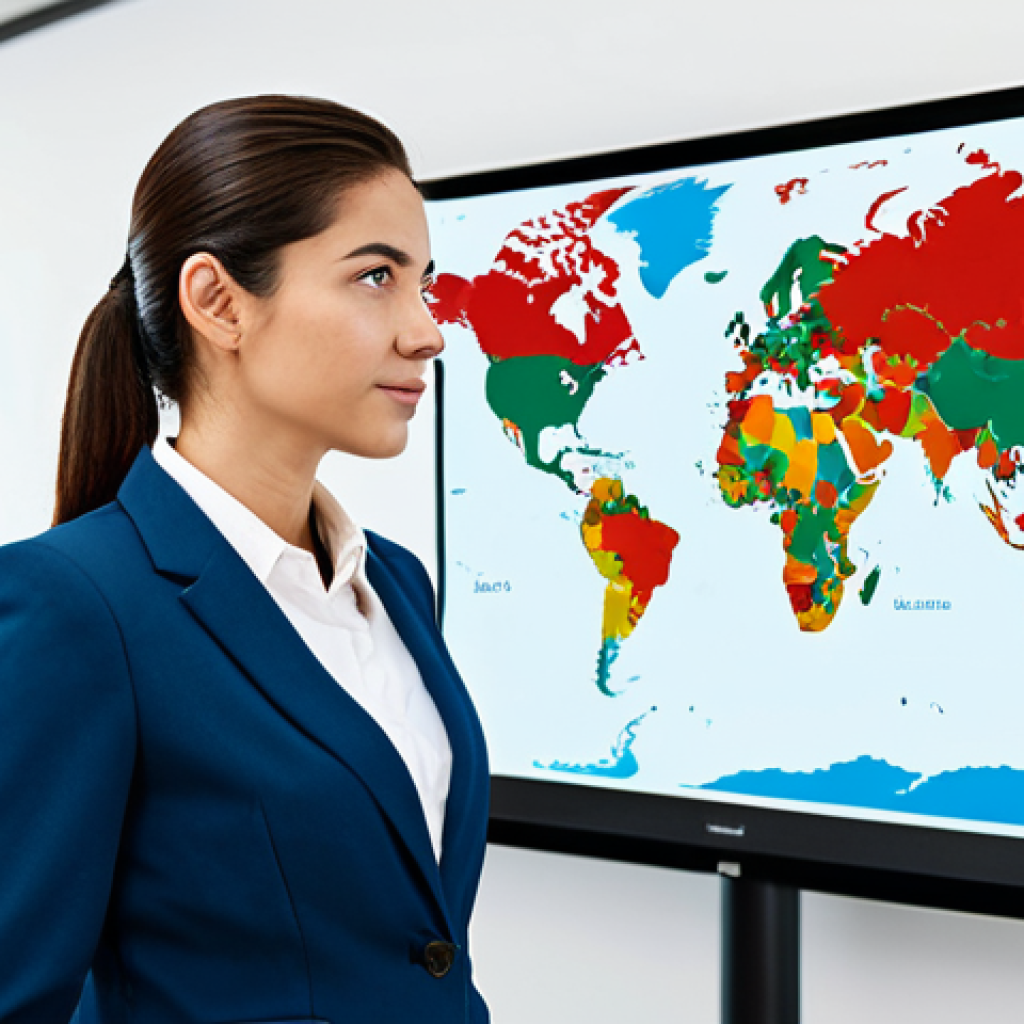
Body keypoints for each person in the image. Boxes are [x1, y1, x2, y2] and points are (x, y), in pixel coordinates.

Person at [0, 95, 490, 1023]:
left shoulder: (394, 583)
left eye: (423, 281)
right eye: (377, 277)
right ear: (219, 302)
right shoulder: (72, 606)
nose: (427, 330)